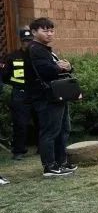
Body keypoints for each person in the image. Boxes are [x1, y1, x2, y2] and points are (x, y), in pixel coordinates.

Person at [25, 17, 75, 178]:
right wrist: (60, 67)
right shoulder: (35, 49)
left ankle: (61, 162)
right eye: (45, 30)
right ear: (34, 32)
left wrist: (68, 67)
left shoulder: (46, 49)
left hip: (57, 95)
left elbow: (58, 68)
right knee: (50, 131)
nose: (49, 34)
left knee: (63, 129)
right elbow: (46, 71)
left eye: (52, 30)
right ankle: (50, 166)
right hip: (46, 97)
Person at [3, 28, 34, 162]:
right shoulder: (12, 56)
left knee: (41, 121)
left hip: (37, 92)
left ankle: (42, 147)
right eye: (25, 41)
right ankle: (19, 151)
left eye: (30, 40)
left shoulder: (38, 55)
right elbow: (5, 76)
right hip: (20, 93)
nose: (27, 43)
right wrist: (17, 83)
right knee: (20, 123)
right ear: (21, 41)